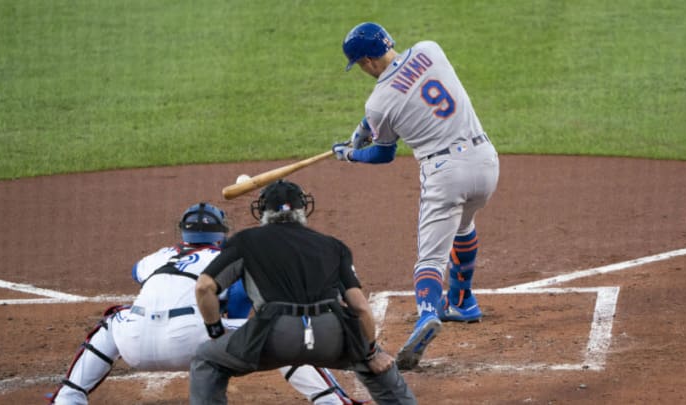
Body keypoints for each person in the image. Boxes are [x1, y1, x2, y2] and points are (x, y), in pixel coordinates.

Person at [49, 202, 364, 405]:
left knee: (113, 318)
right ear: (221, 234)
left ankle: (68, 397)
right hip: (192, 342)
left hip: (133, 345)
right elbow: (240, 299)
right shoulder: (224, 256)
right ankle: (332, 402)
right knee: (282, 332)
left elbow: (137, 273)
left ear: (183, 232)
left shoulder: (157, 257)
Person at [332, 22, 500, 371]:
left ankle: (427, 315)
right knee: (464, 227)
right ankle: (463, 301)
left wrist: (349, 153)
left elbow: (383, 154)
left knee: (429, 259)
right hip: (486, 163)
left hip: (446, 174)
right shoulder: (429, 49)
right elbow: (409, 88)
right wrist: (366, 127)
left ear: (366, 61)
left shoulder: (378, 102)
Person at [189, 180, 416, 405]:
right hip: (331, 335)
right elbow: (360, 308)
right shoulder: (333, 246)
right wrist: (371, 354)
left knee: (208, 359)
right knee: (377, 363)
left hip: (274, 336)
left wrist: (216, 330)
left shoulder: (245, 241)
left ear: (262, 212)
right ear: (302, 208)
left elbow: (204, 287)